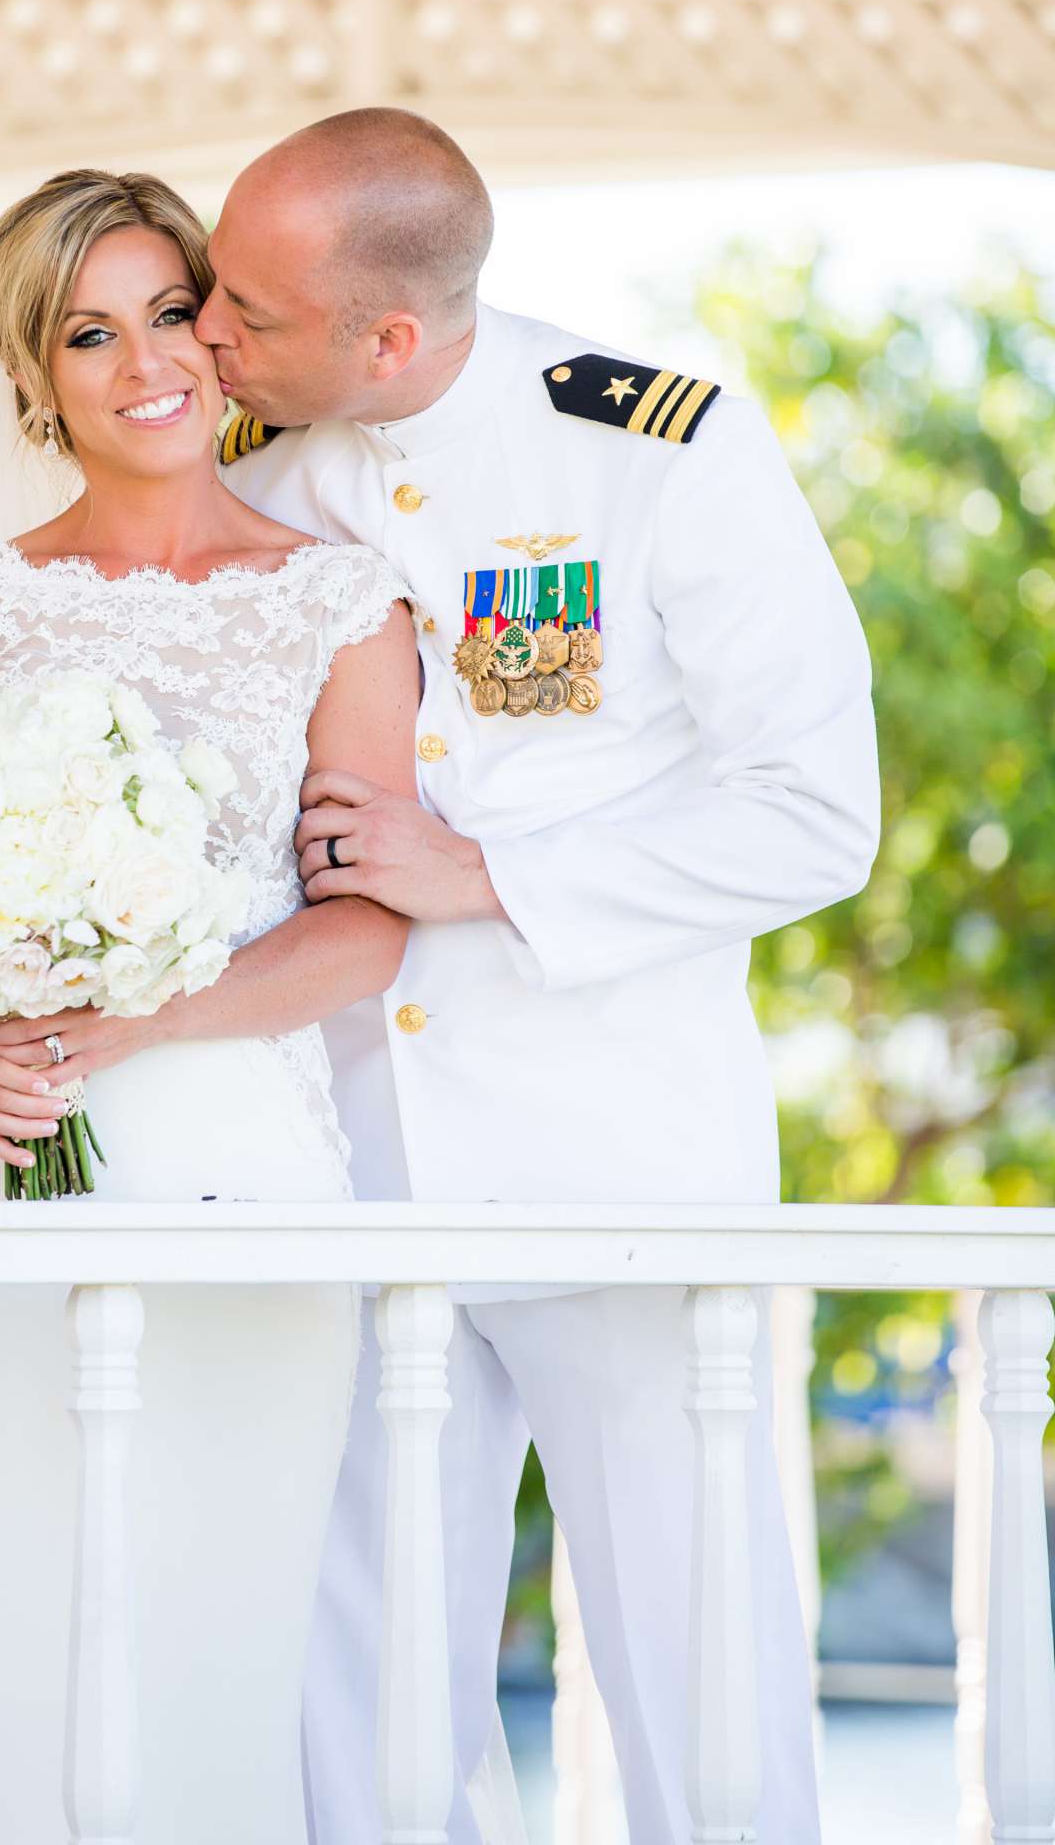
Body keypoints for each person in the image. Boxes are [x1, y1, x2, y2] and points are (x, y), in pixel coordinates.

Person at [206, 106, 882, 1845]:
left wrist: (489, 875)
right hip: (358, 1182)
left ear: (392, 336)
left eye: (248, 313)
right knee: (356, 1690)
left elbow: (816, 816)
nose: (209, 335)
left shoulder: (659, 450)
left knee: (700, 1672)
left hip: (627, 1178)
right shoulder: (258, 497)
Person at [0, 169, 421, 1845]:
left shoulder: (341, 601)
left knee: (216, 1641)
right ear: (34, 373)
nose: (146, 361)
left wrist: (141, 1023)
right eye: (90, 330)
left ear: (219, 334)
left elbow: (367, 932)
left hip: (240, 1169)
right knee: (0, 1644)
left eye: (170, 312)